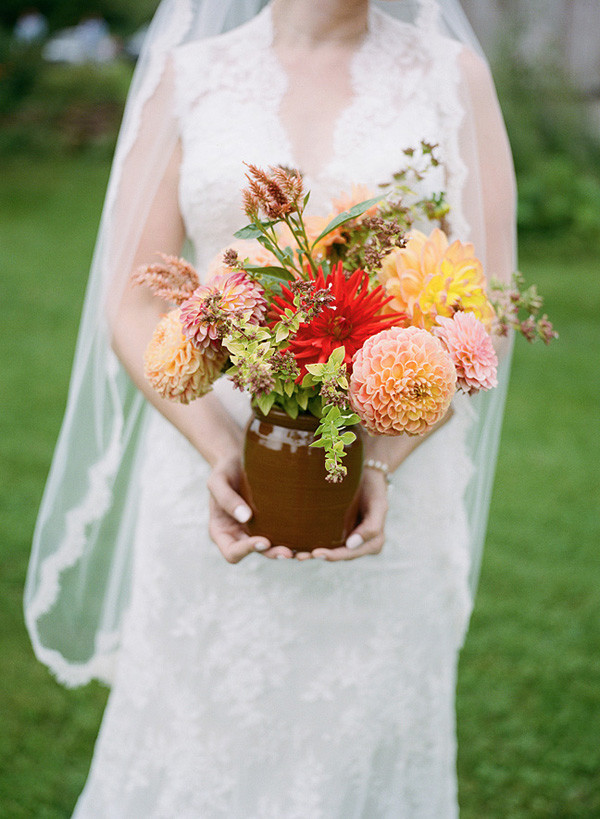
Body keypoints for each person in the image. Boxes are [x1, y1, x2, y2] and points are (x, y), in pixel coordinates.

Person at [25, 0, 516, 815]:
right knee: (193, 736)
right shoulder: (190, 77)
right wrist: (223, 449)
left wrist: (377, 466)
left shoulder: (455, 80)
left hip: (392, 481)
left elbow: (484, 310)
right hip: (205, 470)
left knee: (360, 742)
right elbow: (131, 297)